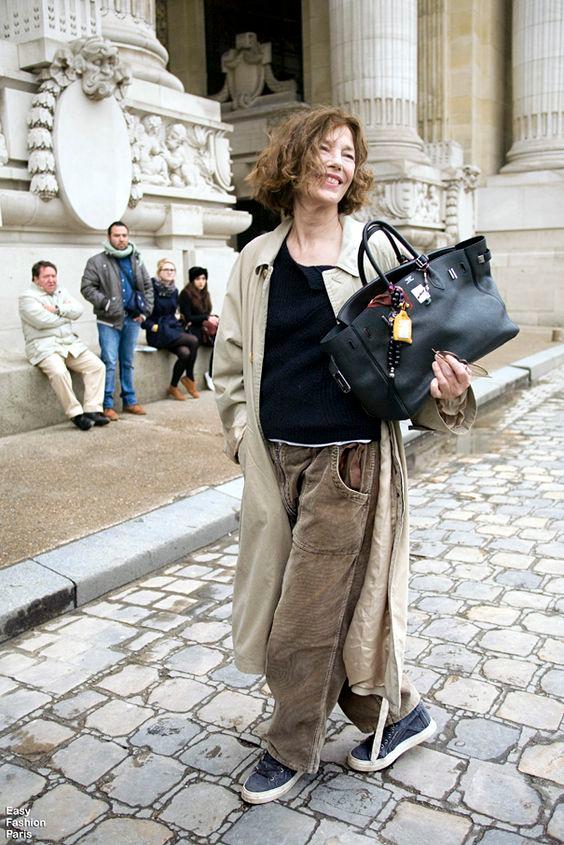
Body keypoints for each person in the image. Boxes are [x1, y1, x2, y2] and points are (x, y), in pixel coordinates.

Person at [213, 105, 476, 805]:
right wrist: (240, 436)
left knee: (303, 616)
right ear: (294, 158)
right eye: (325, 149)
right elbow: (231, 367)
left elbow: (422, 347)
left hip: (348, 462)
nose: (338, 163)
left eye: (349, 155)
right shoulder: (255, 260)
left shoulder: (375, 252)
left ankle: (289, 744)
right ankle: (397, 712)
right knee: (308, 602)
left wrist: (448, 391)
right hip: (277, 462)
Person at [19, 261, 108, 431]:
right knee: (59, 372)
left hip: (69, 344)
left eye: (53, 276)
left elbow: (78, 310)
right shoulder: (27, 298)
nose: (51, 280)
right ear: (36, 279)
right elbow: (42, 321)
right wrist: (67, 316)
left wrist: (57, 309)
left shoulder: (62, 292)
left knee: (97, 366)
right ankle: (76, 414)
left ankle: (92, 409)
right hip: (44, 347)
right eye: (46, 276)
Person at [81, 221, 153, 420]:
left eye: (124, 235)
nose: (121, 239)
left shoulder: (136, 259)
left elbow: (148, 287)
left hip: (132, 319)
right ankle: (107, 405)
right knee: (109, 362)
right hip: (108, 321)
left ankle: (130, 401)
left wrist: (145, 312)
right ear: (109, 237)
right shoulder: (96, 261)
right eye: (117, 235)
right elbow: (87, 288)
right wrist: (106, 304)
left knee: (128, 362)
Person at [142, 258, 200, 400]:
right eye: (166, 269)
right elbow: (141, 316)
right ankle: (190, 377)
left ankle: (173, 387)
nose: (169, 272)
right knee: (193, 340)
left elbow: (172, 312)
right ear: (159, 272)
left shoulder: (174, 291)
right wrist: (153, 327)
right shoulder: (151, 288)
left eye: (172, 270)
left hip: (171, 329)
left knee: (185, 353)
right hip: (157, 332)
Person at [179, 267, 218, 391]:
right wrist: (207, 317)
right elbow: (188, 317)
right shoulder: (185, 294)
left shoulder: (205, 294)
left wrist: (212, 318)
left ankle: (211, 374)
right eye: (197, 279)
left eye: (203, 278)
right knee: (194, 341)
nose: (201, 282)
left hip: (202, 328)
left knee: (220, 340)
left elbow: (206, 314)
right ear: (192, 280)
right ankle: (190, 376)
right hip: (190, 328)